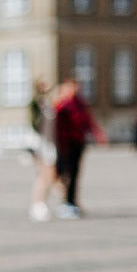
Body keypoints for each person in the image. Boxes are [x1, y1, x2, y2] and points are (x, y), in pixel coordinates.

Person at [53, 78, 105, 219]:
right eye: (71, 87)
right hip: (65, 144)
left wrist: (97, 134)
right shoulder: (62, 106)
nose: (75, 89)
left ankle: (72, 202)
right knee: (64, 174)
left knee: (74, 173)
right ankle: (66, 202)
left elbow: (88, 120)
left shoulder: (80, 103)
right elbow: (56, 128)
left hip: (77, 143)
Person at [26, 79, 58, 221]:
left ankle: (43, 202)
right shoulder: (37, 103)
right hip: (41, 143)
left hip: (49, 143)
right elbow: (34, 123)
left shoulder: (49, 102)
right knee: (43, 175)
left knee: (50, 175)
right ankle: (37, 204)